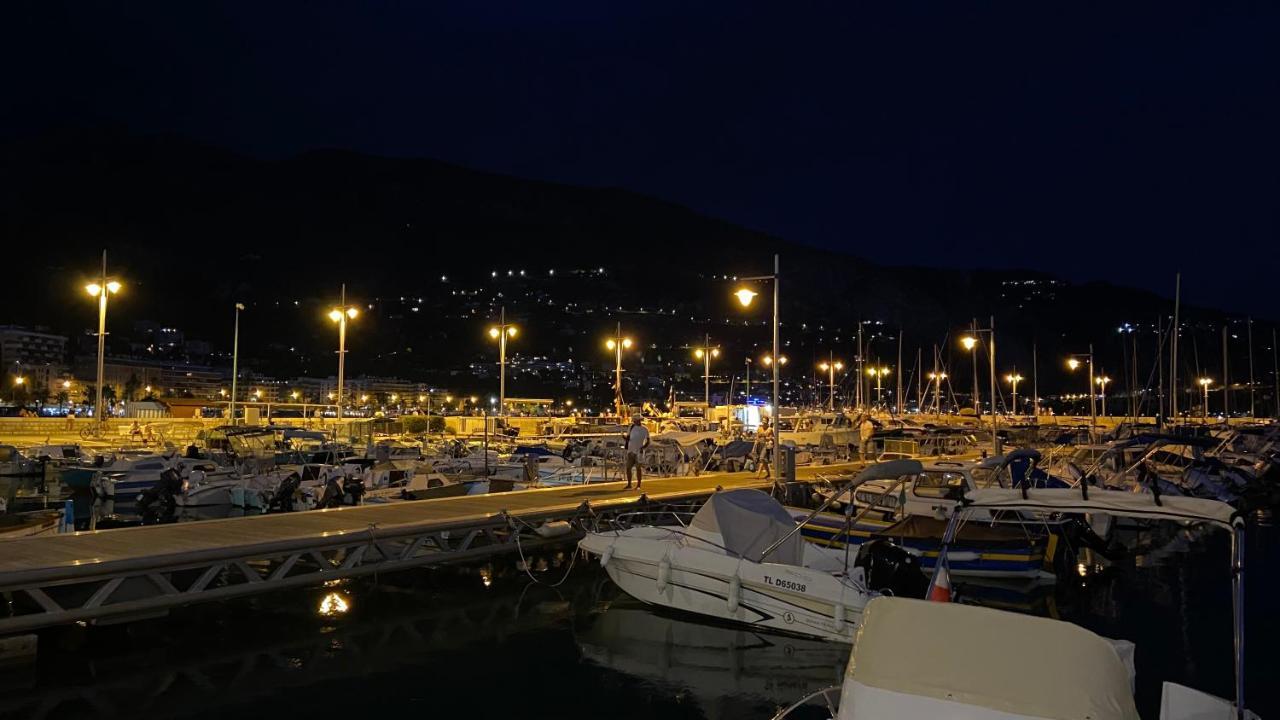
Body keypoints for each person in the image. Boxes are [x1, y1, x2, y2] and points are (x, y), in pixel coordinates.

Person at [623, 415, 650, 489]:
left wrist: (643, 448)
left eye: (635, 420)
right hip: (630, 450)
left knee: (638, 468)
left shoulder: (645, 429)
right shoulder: (631, 427)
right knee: (628, 468)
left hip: (639, 451)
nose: (634, 421)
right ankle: (629, 484)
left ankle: (638, 485)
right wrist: (624, 438)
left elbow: (648, 441)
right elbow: (628, 438)